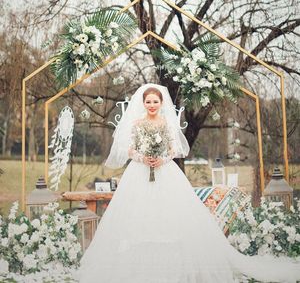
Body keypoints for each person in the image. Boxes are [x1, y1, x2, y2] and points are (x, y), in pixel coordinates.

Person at [74, 83, 300, 283]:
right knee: (139, 215)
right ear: (143, 103)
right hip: (139, 171)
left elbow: (176, 148)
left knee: (171, 214)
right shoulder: (136, 123)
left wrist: (162, 158)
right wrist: (143, 157)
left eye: (155, 101)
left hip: (165, 170)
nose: (152, 104)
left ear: (161, 103)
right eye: (148, 101)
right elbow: (128, 148)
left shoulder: (167, 123)